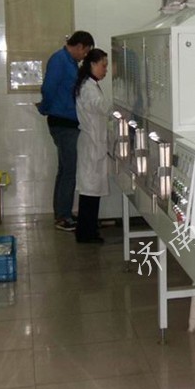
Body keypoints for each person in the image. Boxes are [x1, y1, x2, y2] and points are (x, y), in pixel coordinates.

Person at [38, 31, 95, 231]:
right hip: (63, 122)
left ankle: (63, 212)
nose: (84, 56)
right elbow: (48, 88)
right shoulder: (59, 60)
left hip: (68, 121)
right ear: (79, 46)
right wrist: (45, 108)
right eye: (85, 52)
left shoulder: (70, 62)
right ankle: (63, 217)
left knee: (65, 169)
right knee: (69, 170)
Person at [74, 48, 112, 243]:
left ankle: (88, 229)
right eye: (103, 66)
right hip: (91, 143)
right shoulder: (88, 88)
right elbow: (101, 106)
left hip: (93, 142)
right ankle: (86, 233)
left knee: (91, 189)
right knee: (89, 191)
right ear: (93, 64)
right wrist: (120, 107)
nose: (106, 70)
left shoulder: (90, 84)